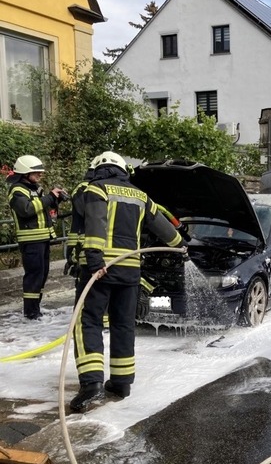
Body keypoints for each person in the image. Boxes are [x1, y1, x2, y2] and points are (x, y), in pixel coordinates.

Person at [70, 151, 187, 413]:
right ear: (123, 170)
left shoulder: (97, 189)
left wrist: (94, 258)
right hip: (130, 272)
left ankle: (91, 385)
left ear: (98, 169)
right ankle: (121, 383)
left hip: (100, 270)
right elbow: (162, 226)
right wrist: (181, 246)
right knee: (123, 325)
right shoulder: (140, 195)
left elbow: (96, 223)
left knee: (87, 322)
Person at [6, 155, 69, 319]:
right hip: (31, 241)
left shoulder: (36, 189)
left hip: (42, 239)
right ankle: (31, 313)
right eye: (37, 173)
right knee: (33, 277)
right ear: (25, 172)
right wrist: (49, 197)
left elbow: (43, 210)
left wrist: (56, 200)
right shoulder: (17, 190)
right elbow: (26, 210)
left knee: (41, 275)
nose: (40, 175)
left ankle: (36, 309)